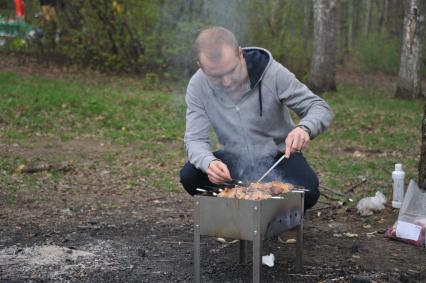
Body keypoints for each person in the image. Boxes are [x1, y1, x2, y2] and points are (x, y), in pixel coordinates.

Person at [179, 26, 333, 210]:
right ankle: (233, 214)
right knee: (190, 176)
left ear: (240, 54)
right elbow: (195, 139)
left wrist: (305, 128)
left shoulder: (273, 74)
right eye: (216, 76)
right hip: (233, 161)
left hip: (278, 157)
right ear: (200, 66)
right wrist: (209, 163)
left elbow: (319, 107)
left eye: (231, 71)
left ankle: (281, 219)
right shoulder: (198, 85)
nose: (226, 82)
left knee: (308, 192)